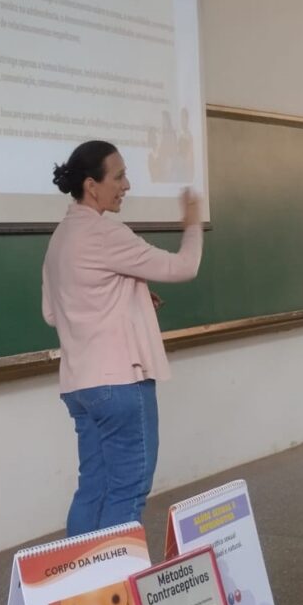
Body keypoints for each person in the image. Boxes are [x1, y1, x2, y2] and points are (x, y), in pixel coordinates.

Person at [42, 140, 202, 535]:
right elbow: (184, 266)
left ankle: (81, 589)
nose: (127, 185)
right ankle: (116, 592)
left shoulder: (61, 238)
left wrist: (130, 295)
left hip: (81, 387)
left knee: (92, 490)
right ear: (91, 186)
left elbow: (52, 312)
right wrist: (193, 222)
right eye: (119, 176)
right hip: (119, 384)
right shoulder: (104, 234)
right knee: (127, 494)